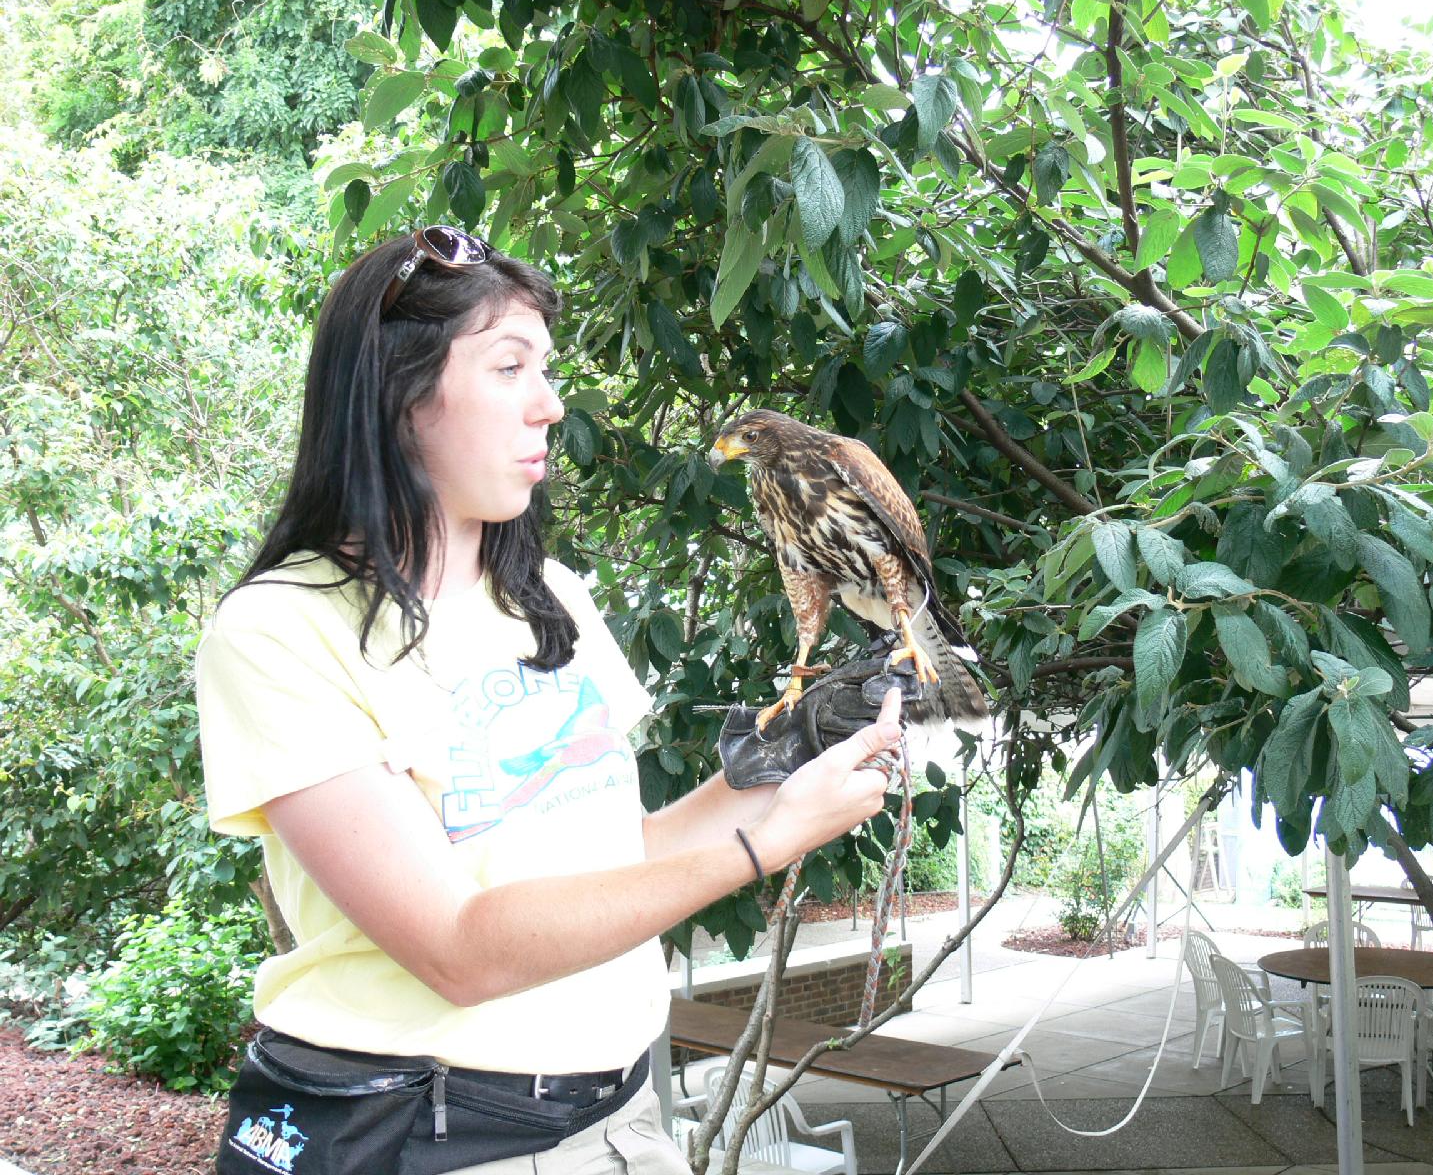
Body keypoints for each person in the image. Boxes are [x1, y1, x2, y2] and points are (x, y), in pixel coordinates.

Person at [195, 225, 904, 1175]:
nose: (550, 404)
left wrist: (795, 756)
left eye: (547, 368)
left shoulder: (549, 597)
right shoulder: (280, 630)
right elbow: (459, 950)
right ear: (400, 392)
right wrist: (760, 848)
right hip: (439, 1135)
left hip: (623, 1125)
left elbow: (624, 856)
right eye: (509, 367)